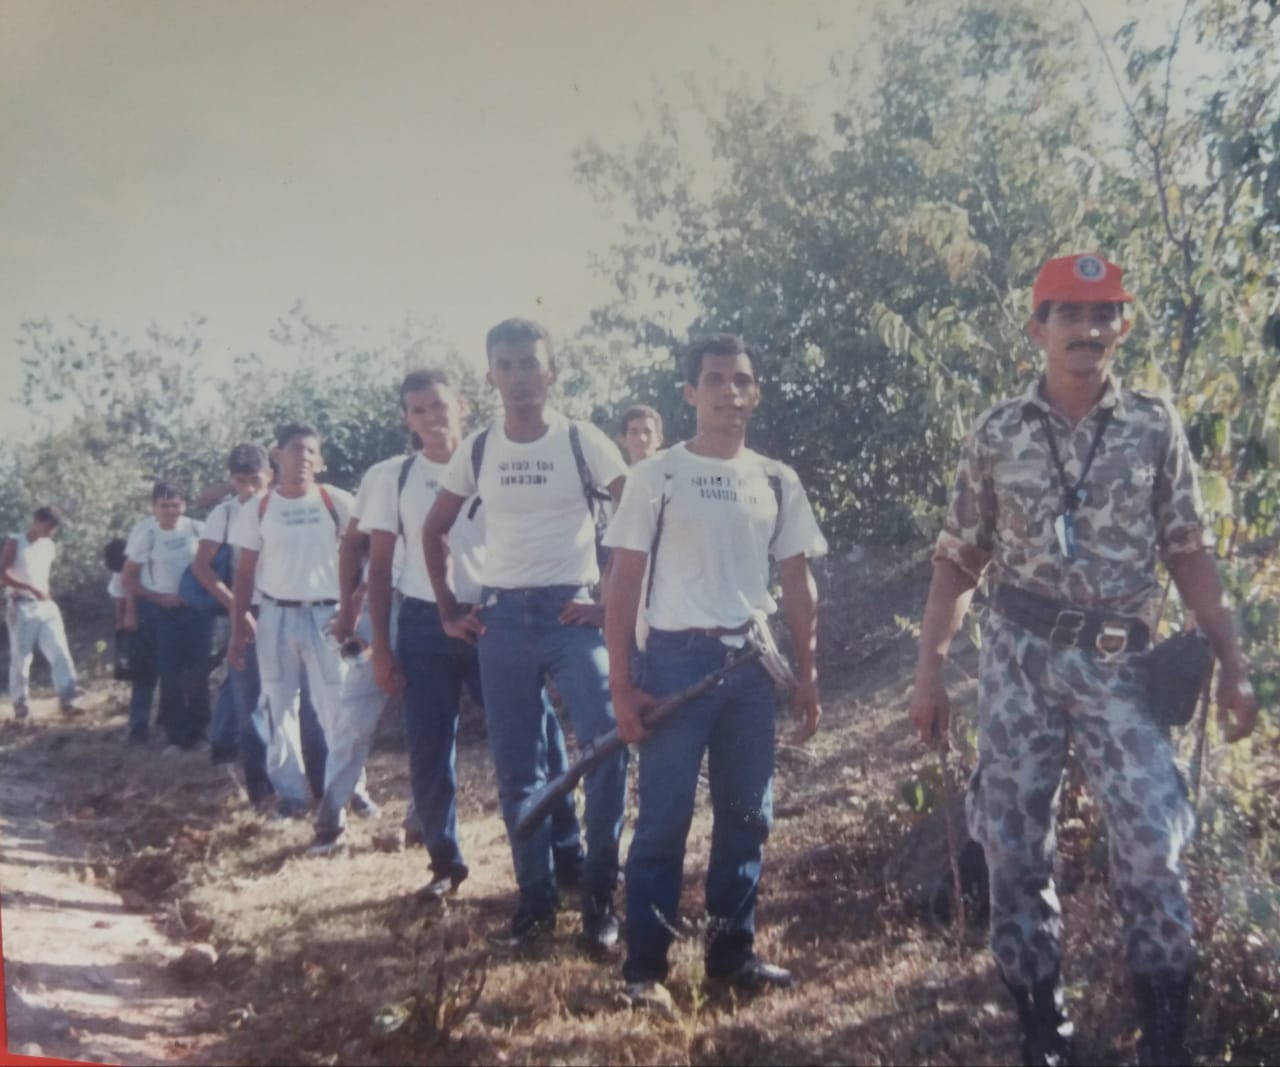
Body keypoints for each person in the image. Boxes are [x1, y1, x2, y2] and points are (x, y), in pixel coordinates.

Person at [906, 253, 1258, 1067]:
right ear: (1038, 328)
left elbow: (1190, 548)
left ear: (1121, 328)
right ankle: (1043, 1031)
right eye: (1070, 314)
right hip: (1020, 664)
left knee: (1150, 844)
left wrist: (1234, 661)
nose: (1089, 331)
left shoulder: (1154, 425)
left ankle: (1163, 1038)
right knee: (1013, 845)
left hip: (1121, 669)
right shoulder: (997, 431)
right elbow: (959, 559)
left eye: (1104, 316)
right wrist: (931, 666)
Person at [604, 333, 826, 1010]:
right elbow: (622, 582)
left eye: (742, 380)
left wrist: (808, 674)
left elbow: (796, 580)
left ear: (754, 391)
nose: (731, 392)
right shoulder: (657, 475)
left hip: (752, 666)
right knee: (665, 818)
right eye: (716, 379)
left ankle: (734, 954)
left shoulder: (777, 478)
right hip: (675, 662)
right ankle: (644, 968)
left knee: (746, 815)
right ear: (690, 393)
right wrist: (621, 682)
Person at [424, 317, 628, 951]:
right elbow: (433, 529)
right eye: (505, 366)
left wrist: (608, 603)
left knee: (606, 746)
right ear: (490, 375)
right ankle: (535, 905)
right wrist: (448, 610)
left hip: (573, 615)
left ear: (552, 371)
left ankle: (599, 902)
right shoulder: (479, 447)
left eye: (529, 364)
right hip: (503, 621)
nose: (518, 378)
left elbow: (638, 512)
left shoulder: (581, 440)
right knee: (517, 769)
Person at [361, 369, 584, 893]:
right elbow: (377, 565)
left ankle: (567, 850)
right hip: (424, 623)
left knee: (543, 737)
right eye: (418, 411)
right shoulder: (391, 477)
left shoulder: (494, 458)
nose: (431, 419)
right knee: (429, 744)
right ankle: (445, 862)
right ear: (406, 419)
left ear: (460, 404)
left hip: (494, 616)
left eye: (439, 406)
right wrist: (382, 648)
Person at [194, 443, 331, 807]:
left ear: (269, 474)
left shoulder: (284, 506)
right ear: (232, 480)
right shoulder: (224, 514)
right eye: (240, 481)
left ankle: (323, 787)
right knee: (253, 705)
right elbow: (202, 566)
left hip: (293, 609)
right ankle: (264, 793)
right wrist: (237, 611)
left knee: (313, 705)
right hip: (247, 611)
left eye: (255, 479)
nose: (248, 489)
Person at [229, 424, 356, 818]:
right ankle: (291, 796)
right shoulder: (259, 508)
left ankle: (350, 791)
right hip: (276, 615)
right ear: (277, 455)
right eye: (295, 450)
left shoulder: (338, 502)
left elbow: (368, 558)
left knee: (338, 704)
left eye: (310, 452)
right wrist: (238, 627)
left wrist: (355, 608)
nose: (303, 459)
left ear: (319, 461)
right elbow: (244, 574)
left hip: (327, 615)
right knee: (277, 705)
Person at [122, 483, 211, 750]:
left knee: (198, 673)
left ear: (183, 505)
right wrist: (158, 598)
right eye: (164, 506)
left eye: (175, 505)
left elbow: (215, 566)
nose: (170, 511)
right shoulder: (146, 535)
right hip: (164, 614)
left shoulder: (198, 529)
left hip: (198, 612)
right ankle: (177, 737)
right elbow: (129, 577)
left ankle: (200, 733)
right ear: (154, 508)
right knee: (170, 676)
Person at [3, 506, 82, 719]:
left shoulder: (49, 546)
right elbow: (3, 573)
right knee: (21, 657)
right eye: (46, 527)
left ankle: (69, 698)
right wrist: (28, 588)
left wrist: (44, 592)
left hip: (45, 604)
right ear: (36, 520)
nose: (48, 532)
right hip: (21, 604)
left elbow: (40, 574)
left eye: (52, 529)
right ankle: (20, 702)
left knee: (59, 650)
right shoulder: (16, 542)